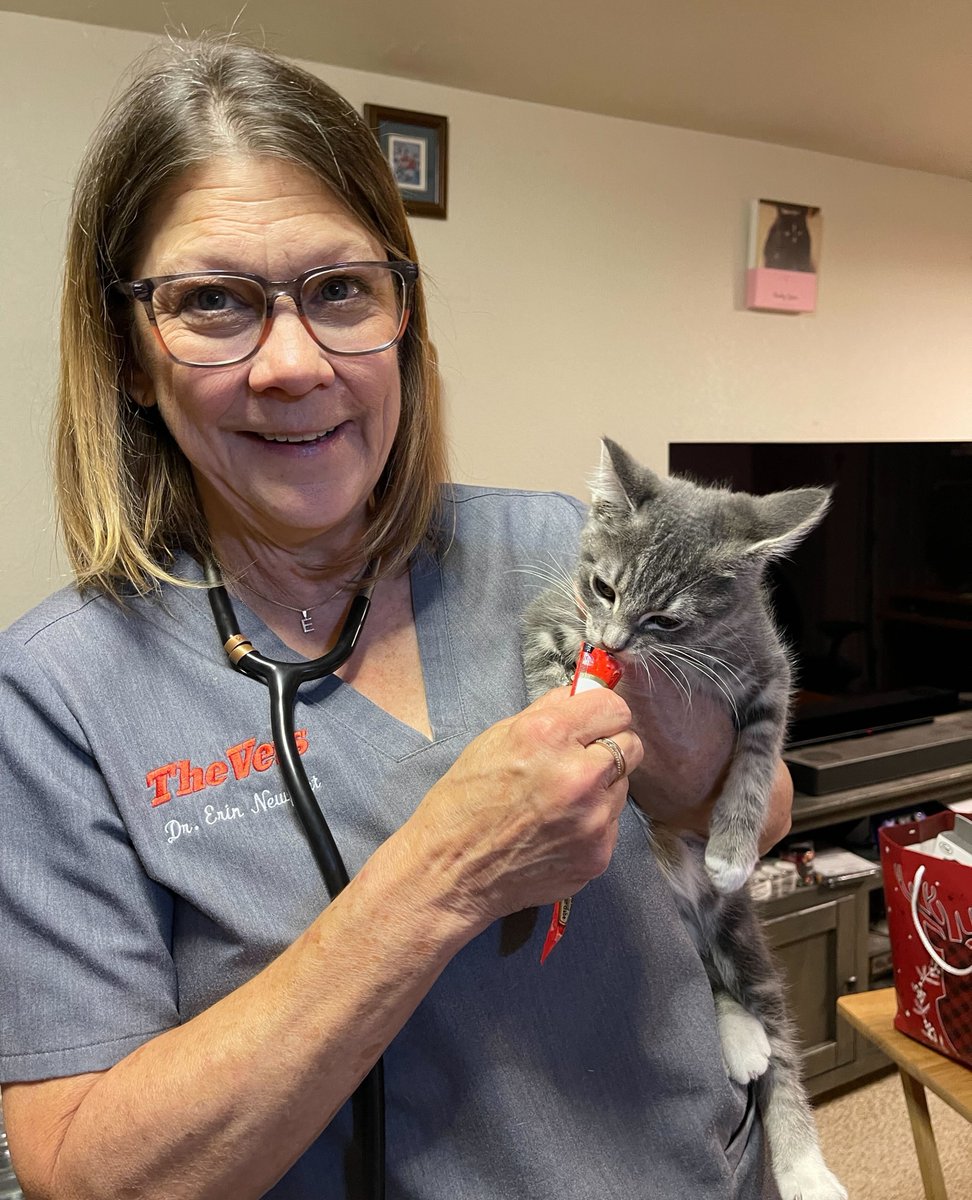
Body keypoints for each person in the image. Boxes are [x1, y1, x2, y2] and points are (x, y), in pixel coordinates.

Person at [0, 37, 792, 1200]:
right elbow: (84, 1175)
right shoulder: (61, 693)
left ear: (404, 319)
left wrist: (683, 744)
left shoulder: (554, 550)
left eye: (340, 291)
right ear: (128, 352)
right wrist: (442, 876)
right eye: (212, 302)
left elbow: (761, 808)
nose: (291, 362)